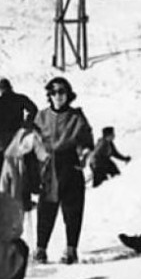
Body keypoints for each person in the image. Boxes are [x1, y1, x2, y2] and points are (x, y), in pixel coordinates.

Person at [33, 77, 94, 265]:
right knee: (46, 208)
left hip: (70, 163)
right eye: (54, 92)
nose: (58, 96)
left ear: (68, 95)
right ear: (49, 95)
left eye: (62, 92)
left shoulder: (77, 117)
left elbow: (87, 142)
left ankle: (71, 250)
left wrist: (84, 154)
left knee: (72, 208)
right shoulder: (41, 116)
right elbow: (34, 141)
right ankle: (41, 249)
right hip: (49, 165)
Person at [0, 78, 38, 173]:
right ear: (10, 87)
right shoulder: (20, 98)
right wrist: (27, 122)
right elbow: (34, 110)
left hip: (3, 137)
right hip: (19, 134)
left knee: (6, 164)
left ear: (0, 89)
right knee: (21, 161)